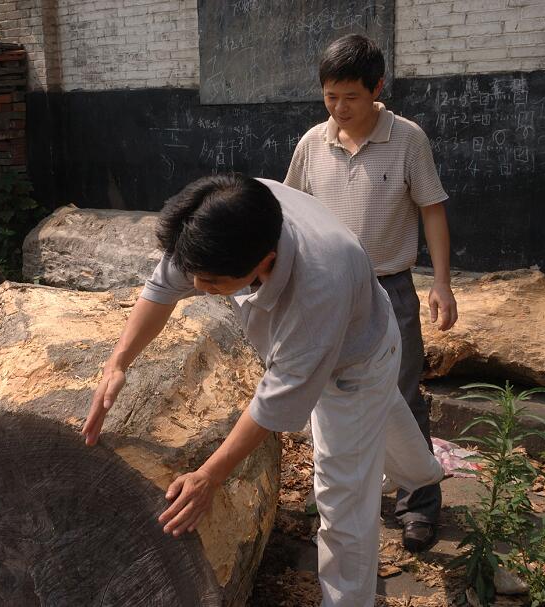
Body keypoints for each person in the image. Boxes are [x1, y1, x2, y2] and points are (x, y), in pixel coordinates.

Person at [81, 174, 444, 607]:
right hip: (347, 335)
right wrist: (117, 362)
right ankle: (423, 473)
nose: (198, 288)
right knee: (375, 429)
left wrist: (208, 477)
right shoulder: (220, 219)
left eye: (213, 283)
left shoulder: (318, 285)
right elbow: (161, 290)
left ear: (265, 262)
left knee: (341, 502)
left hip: (355, 363)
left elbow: (273, 403)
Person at [284, 34, 458, 553]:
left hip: (391, 288)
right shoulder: (313, 142)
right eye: (330, 97)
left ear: (377, 88)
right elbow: (290, 211)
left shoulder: (408, 139)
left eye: (350, 97)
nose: (339, 109)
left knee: (401, 394)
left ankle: (418, 505)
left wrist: (443, 285)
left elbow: (432, 209)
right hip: (327, 290)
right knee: (330, 394)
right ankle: (345, 496)